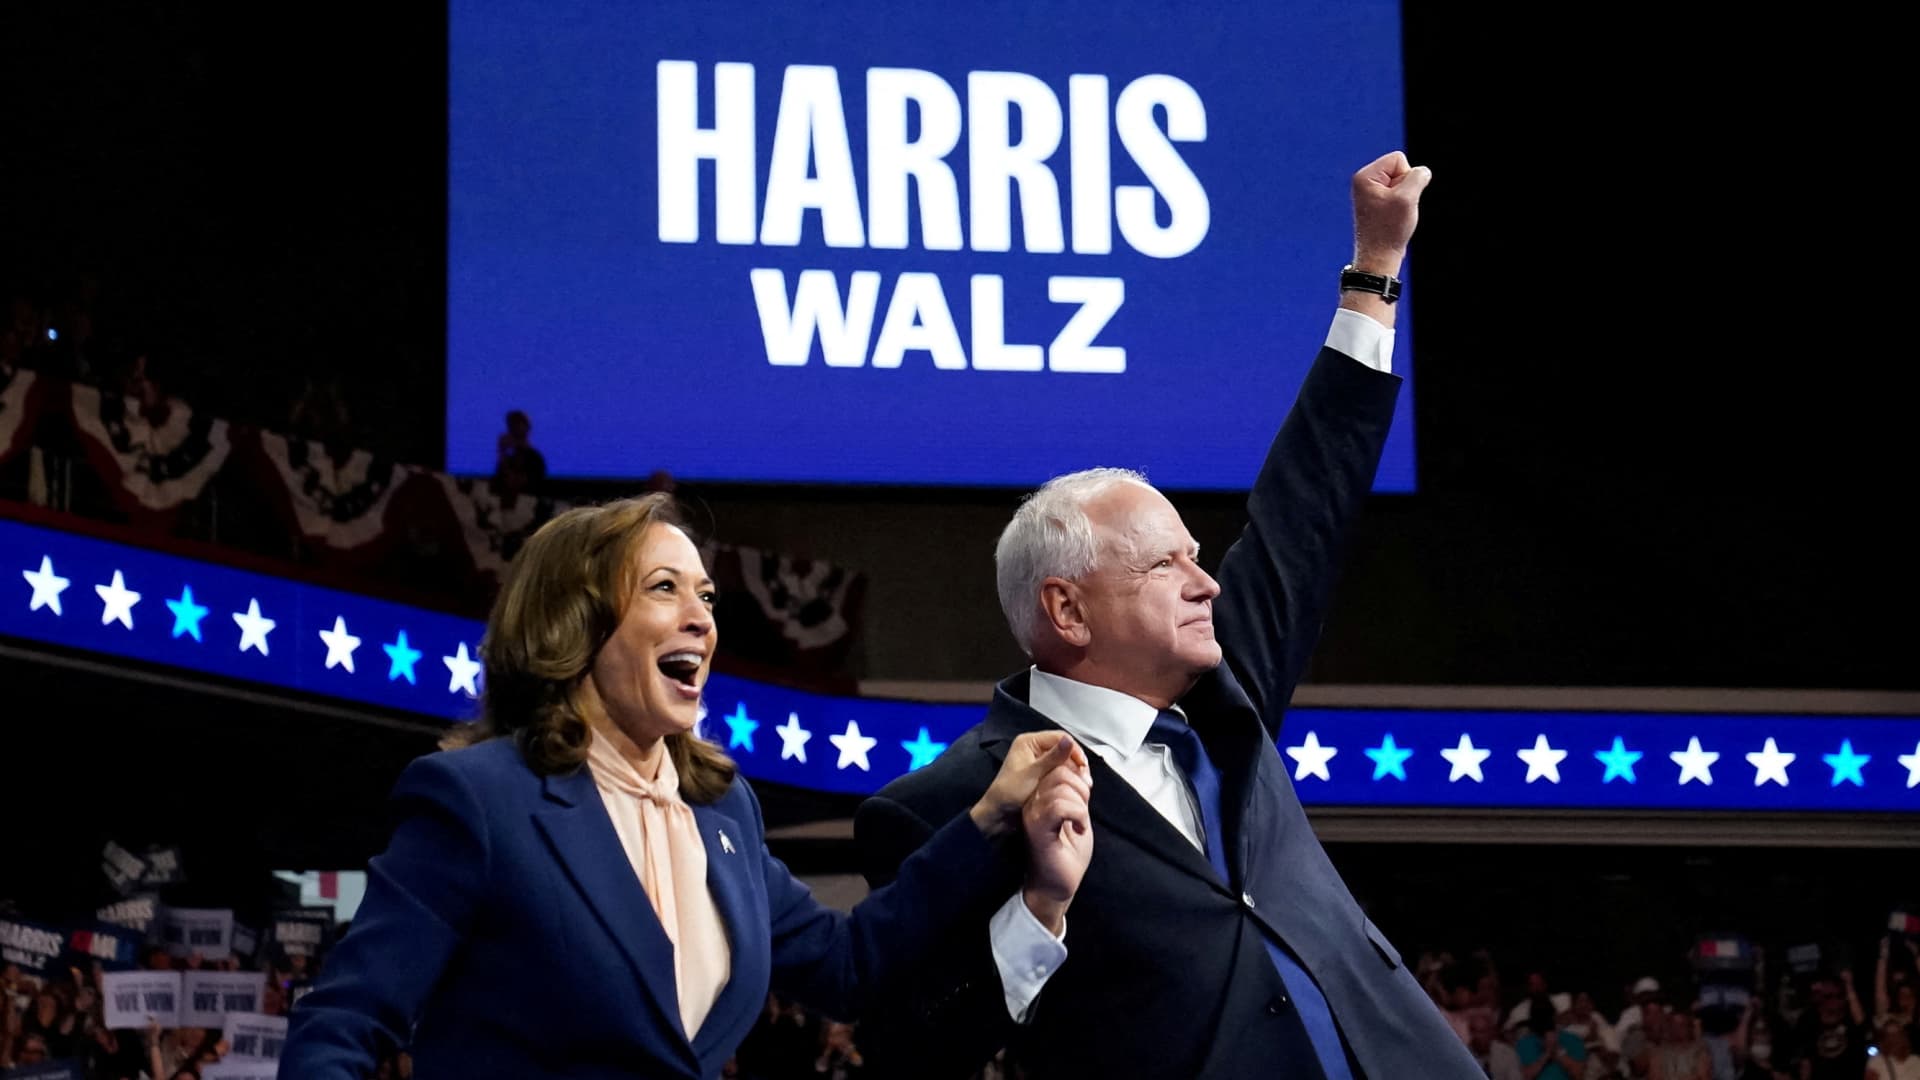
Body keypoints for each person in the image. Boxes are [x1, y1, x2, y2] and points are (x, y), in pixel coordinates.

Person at [853, 152, 1479, 1079]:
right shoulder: (943, 809)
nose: (1208, 583)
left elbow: (1306, 506)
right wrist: (1035, 913)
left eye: (1197, 557)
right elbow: (918, 1041)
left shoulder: (1226, 704)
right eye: (1166, 565)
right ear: (1066, 609)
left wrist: (1374, 269)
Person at [282, 495, 1095, 1079]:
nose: (704, 617)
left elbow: (845, 965)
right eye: (664, 588)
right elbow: (342, 1025)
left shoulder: (720, 810)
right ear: (576, 621)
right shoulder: (478, 800)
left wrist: (986, 819)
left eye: (706, 595)